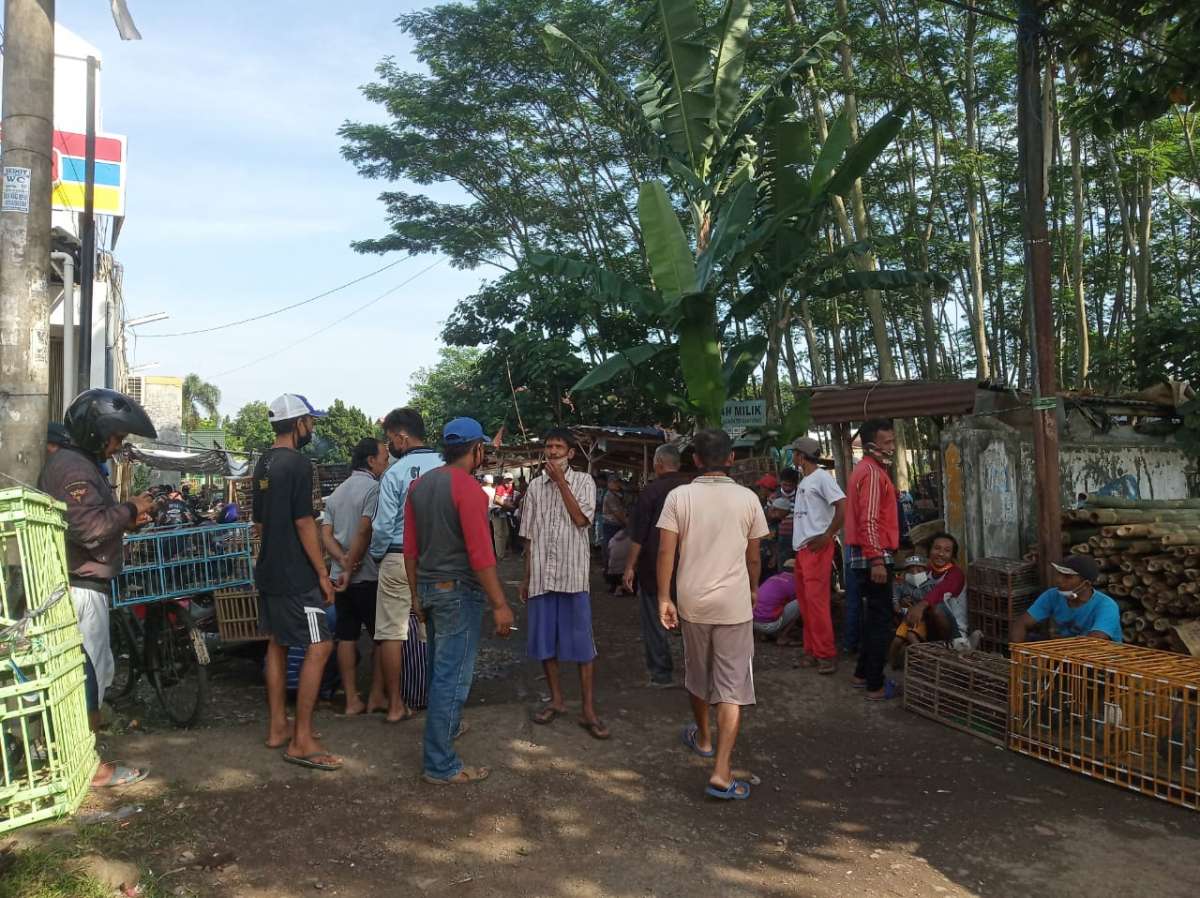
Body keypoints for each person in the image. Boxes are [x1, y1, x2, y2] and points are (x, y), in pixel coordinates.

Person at [39, 388, 157, 789]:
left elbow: (90, 518)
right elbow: (88, 528)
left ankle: (82, 758)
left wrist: (124, 518)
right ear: (97, 431)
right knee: (84, 680)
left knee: (92, 673)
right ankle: (88, 767)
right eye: (117, 439)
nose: (116, 448)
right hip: (79, 587)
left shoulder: (77, 463)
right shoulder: (73, 468)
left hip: (83, 584)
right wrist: (131, 509)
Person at [656, 428, 769, 801]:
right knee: (732, 687)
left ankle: (703, 737)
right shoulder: (748, 498)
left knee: (698, 673)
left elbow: (666, 554)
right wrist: (753, 589)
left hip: (692, 602)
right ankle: (722, 770)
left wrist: (663, 597)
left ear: (696, 460)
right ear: (732, 458)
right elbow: (754, 556)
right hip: (733, 604)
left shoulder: (679, 496)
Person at [403, 417, 515, 784]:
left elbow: (410, 550)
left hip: (431, 590)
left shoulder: (419, 486)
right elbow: (480, 554)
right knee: (452, 678)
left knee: (441, 673)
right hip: (457, 593)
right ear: (476, 449)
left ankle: (444, 734)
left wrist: (416, 595)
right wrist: (500, 603)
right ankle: (440, 763)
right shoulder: (467, 489)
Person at [253, 393, 341, 771]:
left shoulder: (263, 463)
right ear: (298, 424)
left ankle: (278, 727)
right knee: (319, 645)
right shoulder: (299, 464)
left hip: (270, 569)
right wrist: (322, 572)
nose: (313, 428)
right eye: (311, 422)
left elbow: (258, 524)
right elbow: (305, 522)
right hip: (295, 573)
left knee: (277, 643)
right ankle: (301, 740)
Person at [521, 428, 609, 739]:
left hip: (573, 577)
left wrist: (560, 483)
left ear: (571, 453)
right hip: (543, 576)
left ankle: (587, 709)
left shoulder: (584, 481)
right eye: (549, 445)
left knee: (583, 646)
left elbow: (581, 520)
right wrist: (526, 576)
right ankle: (557, 700)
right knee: (546, 644)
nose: (554, 450)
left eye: (559, 446)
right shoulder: (533, 488)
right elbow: (529, 536)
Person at [369, 408, 443, 723]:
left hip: (398, 558)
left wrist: (376, 554)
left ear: (402, 436)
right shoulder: (445, 466)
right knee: (440, 629)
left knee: (392, 633)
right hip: (438, 560)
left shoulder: (395, 474)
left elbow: (383, 526)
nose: (391, 446)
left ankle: (396, 704)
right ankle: (441, 704)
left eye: (390, 440)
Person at [320, 437, 390, 717]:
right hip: (367, 576)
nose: (386, 461)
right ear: (371, 461)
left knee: (346, 636)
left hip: (340, 578)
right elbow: (365, 530)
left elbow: (325, 534)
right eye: (384, 456)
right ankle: (376, 696)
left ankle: (351, 700)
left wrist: (341, 560)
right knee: (382, 637)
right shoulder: (374, 489)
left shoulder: (337, 493)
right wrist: (354, 563)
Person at [622, 444, 690, 687]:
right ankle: (698, 673)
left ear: (658, 463)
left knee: (654, 620)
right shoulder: (690, 490)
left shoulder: (651, 492)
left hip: (653, 567)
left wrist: (629, 566)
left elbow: (638, 535)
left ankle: (661, 674)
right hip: (690, 567)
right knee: (692, 622)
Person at [847, 419, 901, 701]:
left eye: (892, 442)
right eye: (887, 443)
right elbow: (868, 519)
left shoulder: (869, 470)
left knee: (872, 619)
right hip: (874, 555)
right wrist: (877, 559)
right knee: (880, 622)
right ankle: (875, 685)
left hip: (868, 554)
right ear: (871, 445)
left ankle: (861, 674)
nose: (892, 448)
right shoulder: (872, 473)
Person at [789, 438, 846, 675]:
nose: (793, 457)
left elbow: (842, 505)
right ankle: (812, 651)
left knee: (816, 603)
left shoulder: (822, 478)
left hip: (816, 548)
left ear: (801, 456)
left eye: (794, 453)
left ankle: (825, 654)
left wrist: (829, 535)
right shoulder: (807, 479)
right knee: (807, 603)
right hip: (805, 549)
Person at [1010, 555, 1122, 643]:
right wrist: (1018, 653)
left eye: (1067, 577)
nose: (1059, 580)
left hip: (1102, 661)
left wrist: (1059, 644)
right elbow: (1021, 623)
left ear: (1086, 584)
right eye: (1059, 574)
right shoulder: (1052, 595)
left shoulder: (1106, 605)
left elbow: (1095, 641)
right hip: (1067, 655)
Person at [901, 532, 969, 647]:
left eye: (947, 551)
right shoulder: (927, 570)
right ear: (929, 551)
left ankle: (951, 646)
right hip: (929, 625)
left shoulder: (956, 574)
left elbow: (939, 592)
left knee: (937, 608)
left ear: (952, 555)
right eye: (937, 548)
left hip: (954, 630)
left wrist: (920, 606)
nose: (941, 554)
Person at [752, 568, 800, 642]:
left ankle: (760, 635)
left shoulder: (772, 578)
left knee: (767, 603)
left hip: (753, 623)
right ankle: (783, 637)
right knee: (800, 602)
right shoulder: (794, 582)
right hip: (769, 625)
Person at [766, 468, 799, 566]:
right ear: (780, 482)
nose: (787, 488)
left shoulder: (801, 497)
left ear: (796, 484)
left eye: (791, 485)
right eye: (785, 485)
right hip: (780, 543)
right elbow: (768, 522)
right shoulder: (773, 497)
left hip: (798, 541)